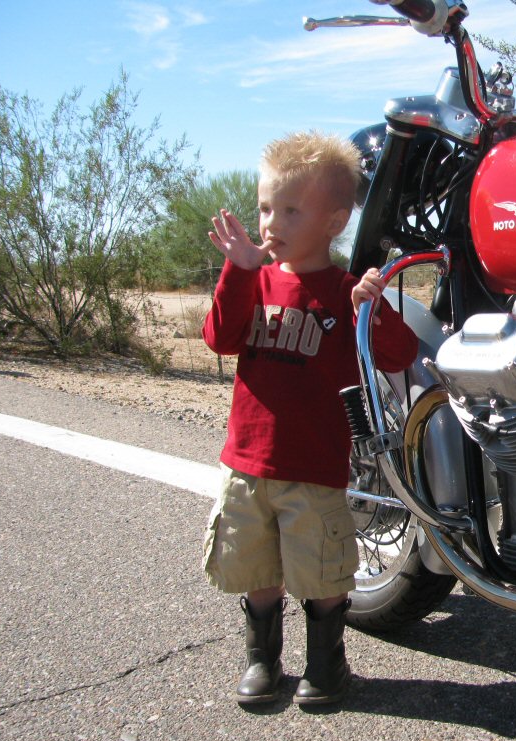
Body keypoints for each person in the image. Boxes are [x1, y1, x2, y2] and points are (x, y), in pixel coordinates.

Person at [201, 130, 418, 707]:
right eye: (266, 207)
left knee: (322, 576)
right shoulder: (258, 280)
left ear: (334, 220)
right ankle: (262, 662)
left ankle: (326, 665)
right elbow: (219, 339)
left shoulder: (344, 292)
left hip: (314, 469)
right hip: (247, 463)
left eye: (290, 210)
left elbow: (398, 355)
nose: (271, 223)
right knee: (257, 570)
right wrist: (240, 271)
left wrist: (372, 308)